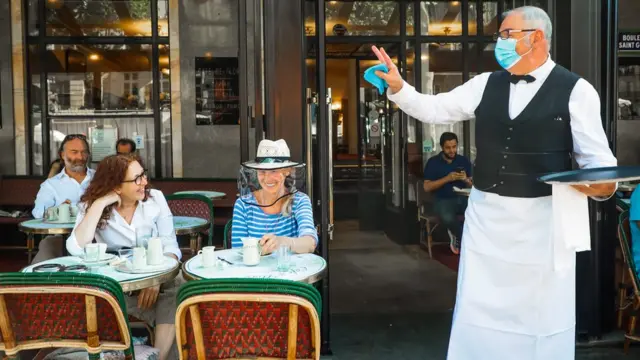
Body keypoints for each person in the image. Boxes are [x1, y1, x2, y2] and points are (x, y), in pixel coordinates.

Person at [372, 6, 617, 360]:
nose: (498, 43)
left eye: (506, 35)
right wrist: (399, 88)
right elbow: (435, 109)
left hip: (544, 224)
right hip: (488, 221)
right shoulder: (485, 83)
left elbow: (600, 166)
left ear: (536, 38)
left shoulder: (577, 91)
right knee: (478, 310)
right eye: (498, 35)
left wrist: (599, 186)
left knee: (541, 316)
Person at [65, 154, 180, 360]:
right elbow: (75, 247)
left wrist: (156, 280)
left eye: (143, 175)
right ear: (116, 186)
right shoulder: (92, 205)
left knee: (177, 290)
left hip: (153, 287)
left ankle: (158, 357)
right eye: (137, 179)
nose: (144, 182)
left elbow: (170, 245)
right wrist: (101, 203)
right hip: (115, 290)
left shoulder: (155, 199)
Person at [231, 139, 318, 254]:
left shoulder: (300, 201)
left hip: (291, 271)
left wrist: (283, 242)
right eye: (262, 172)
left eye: (274, 171)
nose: (267, 179)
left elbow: (310, 244)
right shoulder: (243, 205)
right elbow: (237, 251)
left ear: (287, 171)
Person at [31, 134, 95, 264]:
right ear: (62, 154)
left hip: (96, 236)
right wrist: (57, 210)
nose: (80, 157)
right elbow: (37, 212)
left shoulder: (100, 178)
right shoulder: (51, 185)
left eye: (84, 152)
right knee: (45, 254)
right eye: (74, 152)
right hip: (60, 238)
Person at [423, 132, 472, 254]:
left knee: (478, 213)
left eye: (454, 147)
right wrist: (447, 179)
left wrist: (466, 179)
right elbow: (426, 187)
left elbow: (474, 184)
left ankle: (464, 239)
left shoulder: (463, 160)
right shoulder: (433, 162)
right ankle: (461, 239)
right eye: (448, 147)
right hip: (443, 199)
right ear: (442, 147)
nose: (452, 151)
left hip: (463, 197)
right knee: (448, 217)